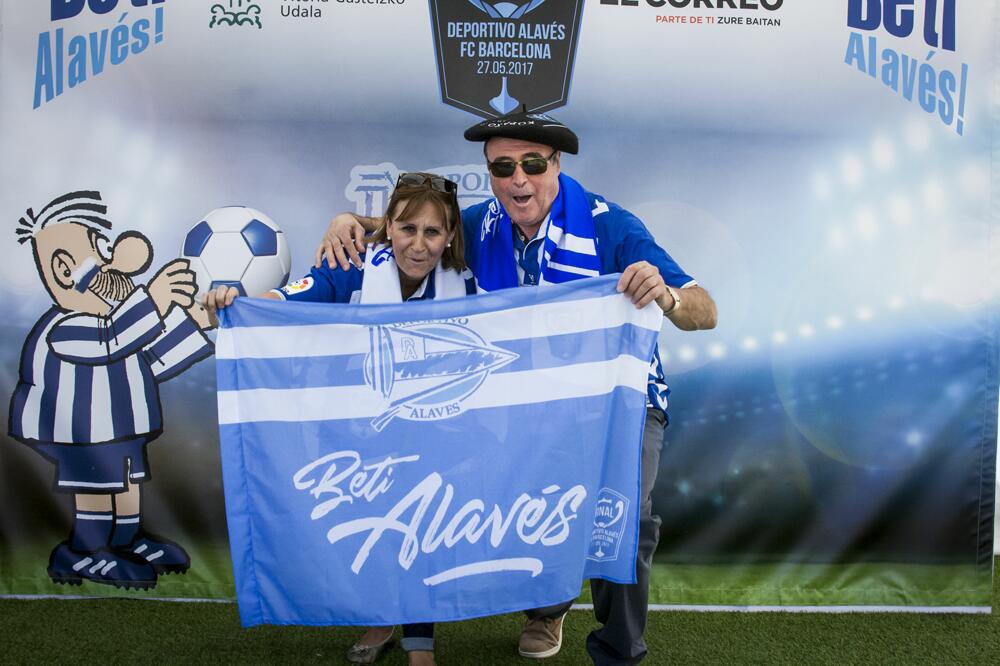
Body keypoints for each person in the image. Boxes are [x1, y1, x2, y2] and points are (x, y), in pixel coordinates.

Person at [316, 109, 718, 665]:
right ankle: (547, 608)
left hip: (618, 401)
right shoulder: (481, 226)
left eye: (532, 163)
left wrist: (668, 296)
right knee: (509, 493)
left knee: (622, 513)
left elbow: (705, 310)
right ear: (490, 172)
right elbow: (419, 225)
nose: (518, 179)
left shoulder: (608, 224)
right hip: (522, 401)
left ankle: (620, 649)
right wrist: (350, 221)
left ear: (556, 164)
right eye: (503, 167)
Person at [204, 173, 475, 666]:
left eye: (432, 233)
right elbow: (288, 302)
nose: (418, 245)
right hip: (358, 431)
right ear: (388, 227)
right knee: (372, 528)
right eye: (407, 229)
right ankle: (380, 617)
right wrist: (236, 308)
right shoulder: (352, 268)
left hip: (435, 431)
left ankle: (420, 643)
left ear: (450, 235)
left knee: (424, 523)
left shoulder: (470, 284)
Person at [9, 190, 214, 590]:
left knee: (125, 480)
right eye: (102, 252)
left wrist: (197, 326)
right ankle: (84, 551)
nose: (116, 263)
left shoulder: (114, 324)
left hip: (119, 428)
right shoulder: (67, 327)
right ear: (65, 269)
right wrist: (154, 299)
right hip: (80, 431)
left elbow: (150, 360)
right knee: (97, 484)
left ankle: (125, 540)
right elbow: (112, 339)